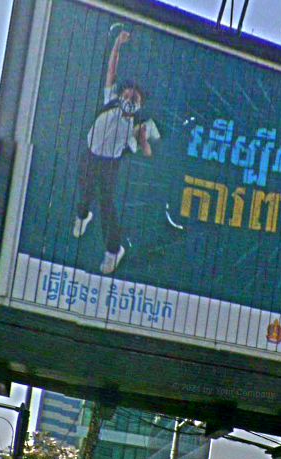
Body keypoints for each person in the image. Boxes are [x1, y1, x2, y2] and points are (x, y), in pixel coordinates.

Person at [73, 29, 157, 275]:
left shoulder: (138, 125)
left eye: (135, 99)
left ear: (140, 104)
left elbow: (148, 152)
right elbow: (112, 69)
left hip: (109, 165)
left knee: (106, 206)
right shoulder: (110, 99)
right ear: (121, 95)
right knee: (84, 192)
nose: (130, 99)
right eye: (128, 95)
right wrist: (117, 45)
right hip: (90, 153)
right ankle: (82, 216)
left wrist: (143, 140)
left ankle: (113, 250)